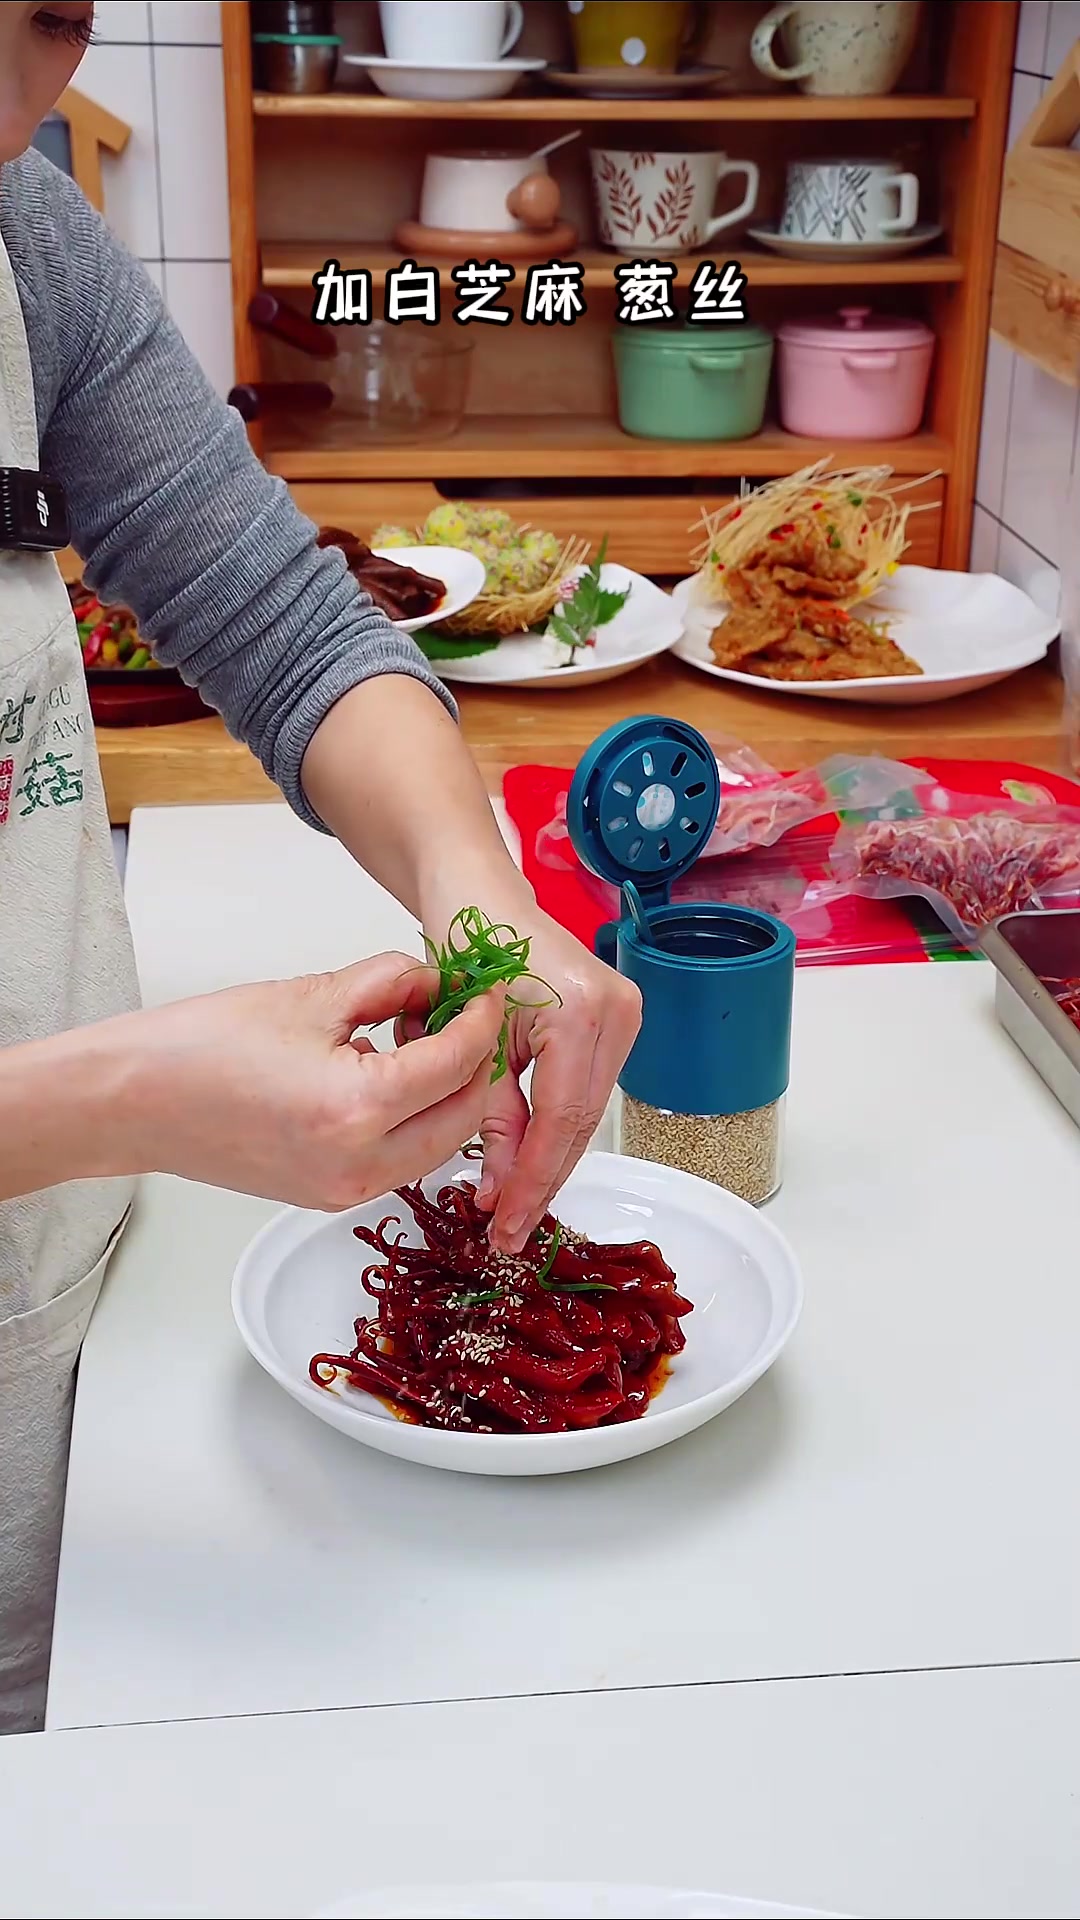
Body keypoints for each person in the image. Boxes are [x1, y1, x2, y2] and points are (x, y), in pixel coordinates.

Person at [0, 1, 640, 1735]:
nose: (11, 102)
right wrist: (108, 1096)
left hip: (62, 1323)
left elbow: (277, 611)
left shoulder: (20, 235)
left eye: (50, 24)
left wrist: (479, 898)